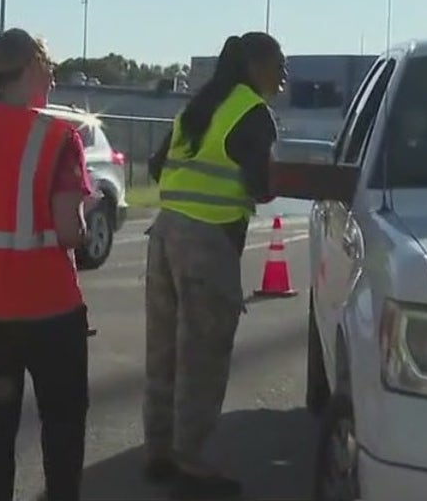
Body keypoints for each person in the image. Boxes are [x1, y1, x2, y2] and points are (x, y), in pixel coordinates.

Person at [0, 29, 96, 501]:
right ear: (31, 66)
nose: (51, 78)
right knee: (63, 424)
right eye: (49, 68)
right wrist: (87, 215)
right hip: (45, 306)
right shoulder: (57, 136)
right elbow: (70, 232)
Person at [142, 32, 286, 500]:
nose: (284, 74)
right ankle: (191, 462)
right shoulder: (252, 113)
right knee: (201, 358)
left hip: (164, 236)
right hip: (208, 242)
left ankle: (159, 451)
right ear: (256, 65)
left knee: (163, 353)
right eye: (279, 63)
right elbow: (262, 187)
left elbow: (155, 166)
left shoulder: (199, 106)